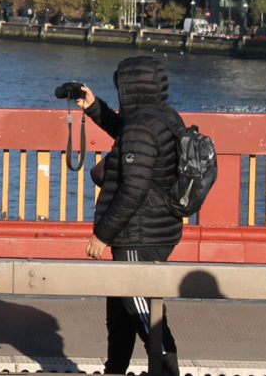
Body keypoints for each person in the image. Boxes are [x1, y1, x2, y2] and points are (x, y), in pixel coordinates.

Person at [75, 55, 183, 376]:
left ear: (131, 88)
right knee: (121, 314)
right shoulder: (162, 117)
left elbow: (133, 188)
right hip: (154, 228)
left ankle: (166, 371)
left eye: (120, 87)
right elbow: (127, 132)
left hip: (137, 235)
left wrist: (102, 234)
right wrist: (95, 107)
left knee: (147, 320)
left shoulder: (142, 127)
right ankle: (114, 371)